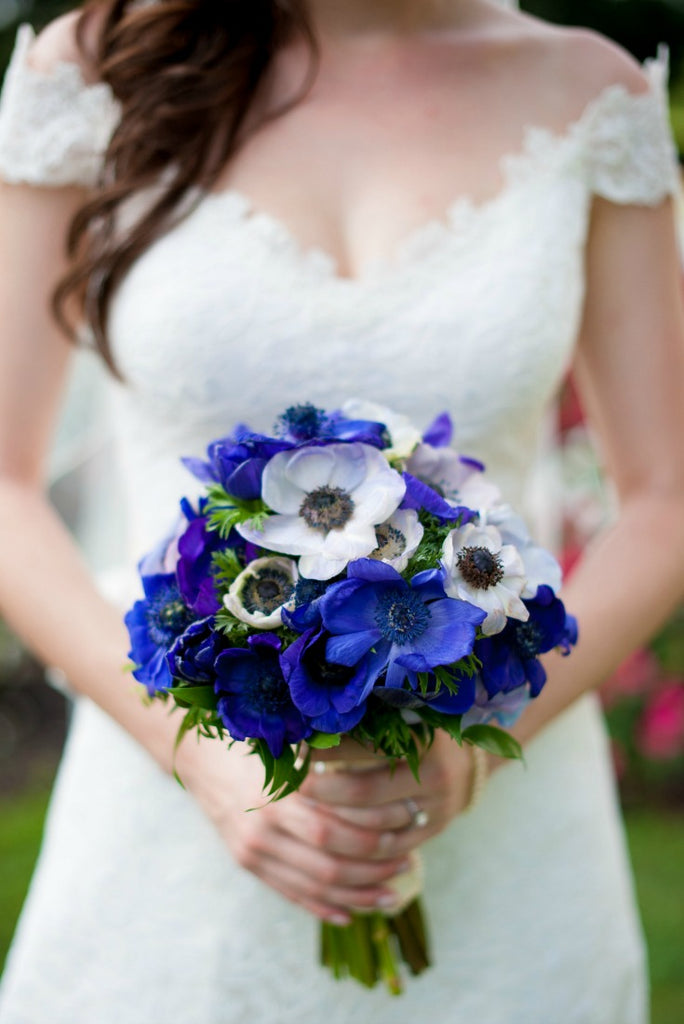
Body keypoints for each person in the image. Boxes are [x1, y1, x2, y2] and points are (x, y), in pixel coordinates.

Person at [0, 0, 683, 1021]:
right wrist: (202, 757)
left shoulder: (588, 92)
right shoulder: (100, 69)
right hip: (165, 838)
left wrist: (476, 736)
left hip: (510, 837)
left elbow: (666, 498)